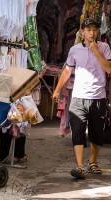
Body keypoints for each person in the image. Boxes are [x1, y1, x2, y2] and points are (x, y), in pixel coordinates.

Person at [53, 18, 111, 179]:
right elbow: (66, 71)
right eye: (89, 30)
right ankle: (80, 166)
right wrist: (57, 90)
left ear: (98, 31)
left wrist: (96, 51)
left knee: (97, 133)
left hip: (98, 97)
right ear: (82, 32)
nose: (92, 33)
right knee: (77, 132)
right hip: (78, 97)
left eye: (95, 30)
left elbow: (109, 69)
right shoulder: (75, 49)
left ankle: (92, 161)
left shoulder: (105, 47)